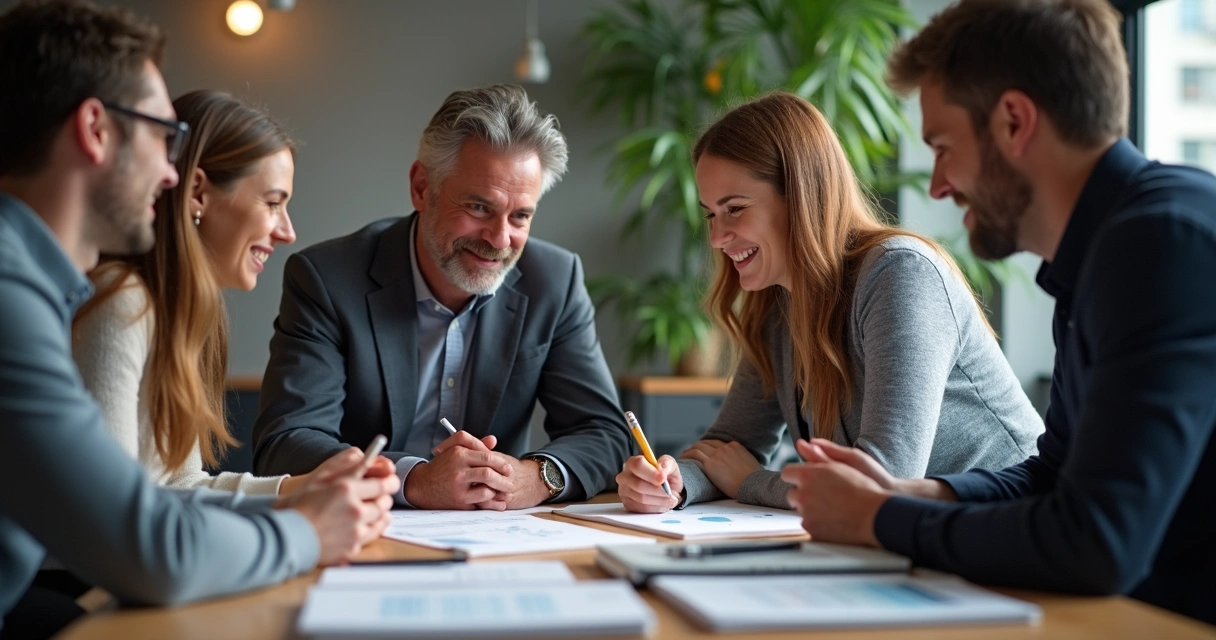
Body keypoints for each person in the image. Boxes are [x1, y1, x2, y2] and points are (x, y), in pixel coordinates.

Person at [780, 0, 1216, 625]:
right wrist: (913, 493)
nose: (936, 185)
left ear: (1013, 122)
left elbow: (1098, 542)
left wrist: (879, 519)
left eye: (943, 146)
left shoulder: (1158, 244)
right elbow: (1053, 475)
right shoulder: (1102, 254)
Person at [0, 2, 397, 636]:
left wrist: (297, 495)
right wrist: (305, 527)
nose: (170, 172)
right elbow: (139, 540)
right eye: (164, 136)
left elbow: (157, 497)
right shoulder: (27, 294)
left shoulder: (43, 285)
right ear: (96, 130)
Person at [615, 91, 1043, 514]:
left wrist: (749, 482)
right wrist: (672, 481)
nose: (715, 237)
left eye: (735, 209)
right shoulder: (777, 305)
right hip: (919, 540)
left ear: (801, 197)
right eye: (711, 213)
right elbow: (728, 449)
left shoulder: (901, 275)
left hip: (1012, 531)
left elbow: (882, 480)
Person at [252, 84, 631, 511]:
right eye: (478, 208)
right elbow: (286, 443)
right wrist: (411, 478)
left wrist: (538, 475)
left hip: (497, 541)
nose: (500, 239)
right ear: (421, 188)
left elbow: (605, 432)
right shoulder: (328, 279)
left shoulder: (554, 281)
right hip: (360, 530)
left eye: (520, 216)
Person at [73, 90, 359, 496]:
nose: (287, 232)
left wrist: (303, 489)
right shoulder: (121, 302)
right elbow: (111, 509)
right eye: (273, 203)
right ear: (197, 193)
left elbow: (181, 485)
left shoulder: (175, 311)